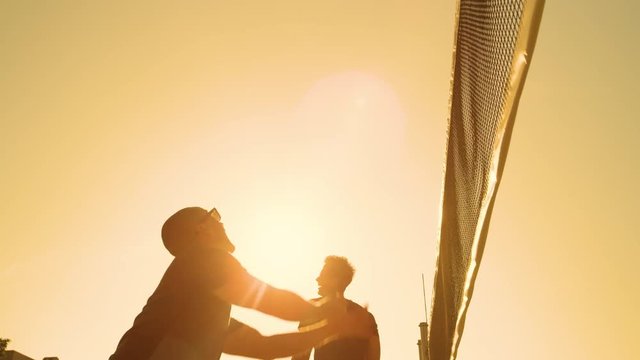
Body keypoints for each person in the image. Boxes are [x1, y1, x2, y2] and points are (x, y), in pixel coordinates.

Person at [109, 206, 374, 360]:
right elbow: (270, 302)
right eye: (213, 216)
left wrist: (333, 328)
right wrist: (326, 311)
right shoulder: (204, 257)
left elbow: (263, 346)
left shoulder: (199, 311)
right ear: (202, 229)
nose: (221, 222)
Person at [292, 256, 380, 360]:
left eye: (323, 275)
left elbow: (300, 356)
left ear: (336, 280)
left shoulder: (313, 309)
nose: (318, 279)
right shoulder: (366, 317)